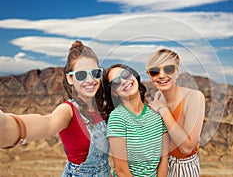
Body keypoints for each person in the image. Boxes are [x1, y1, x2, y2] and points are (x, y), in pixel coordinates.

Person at [0, 41, 111, 177]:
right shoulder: (68, 110)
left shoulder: (102, 109)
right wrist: (7, 126)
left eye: (95, 73)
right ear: (70, 78)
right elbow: (48, 123)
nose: (90, 79)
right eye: (81, 75)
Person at [101, 64, 168, 177]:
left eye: (125, 74)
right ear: (114, 92)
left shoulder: (157, 114)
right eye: (116, 82)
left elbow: (164, 159)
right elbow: (122, 171)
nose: (123, 81)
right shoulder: (117, 118)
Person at [146, 48, 205, 177]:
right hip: (161, 165)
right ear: (150, 76)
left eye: (168, 69)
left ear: (177, 72)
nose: (161, 75)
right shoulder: (158, 96)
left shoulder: (194, 97)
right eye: (155, 71)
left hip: (183, 167)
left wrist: (164, 111)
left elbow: (186, 148)